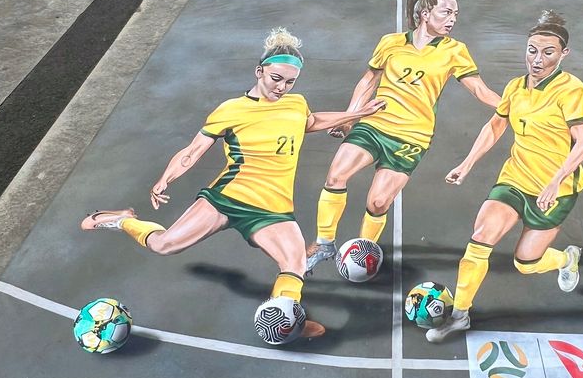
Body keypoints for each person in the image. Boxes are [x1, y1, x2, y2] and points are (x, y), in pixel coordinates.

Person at [78, 28, 386, 344]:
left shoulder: (296, 104)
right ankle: (121, 218)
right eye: (276, 78)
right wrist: (164, 179)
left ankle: (286, 320)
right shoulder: (231, 110)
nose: (282, 87)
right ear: (259, 71)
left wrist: (358, 112)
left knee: (293, 264)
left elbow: (310, 122)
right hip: (229, 198)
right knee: (163, 244)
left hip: (273, 209)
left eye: (290, 81)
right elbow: (192, 151)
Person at [305, 0, 502, 273]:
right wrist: (349, 118)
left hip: (412, 136)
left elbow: (480, 91)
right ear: (425, 13)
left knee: (378, 202)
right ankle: (324, 243)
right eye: (446, 12)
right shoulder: (390, 42)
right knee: (336, 175)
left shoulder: (455, 51)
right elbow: (368, 82)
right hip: (375, 124)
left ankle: (361, 254)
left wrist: (515, 106)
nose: (453, 20)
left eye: (455, 15)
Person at [426, 11, 583, 343]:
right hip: (515, 179)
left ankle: (565, 258)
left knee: (525, 263)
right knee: (481, 237)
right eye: (532, 50)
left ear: (564, 55)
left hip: (555, 190)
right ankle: (460, 314)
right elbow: (495, 126)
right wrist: (467, 163)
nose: (538, 59)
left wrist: (556, 180)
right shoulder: (515, 87)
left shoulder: (571, 89)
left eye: (548, 52)